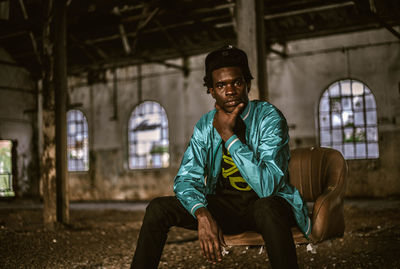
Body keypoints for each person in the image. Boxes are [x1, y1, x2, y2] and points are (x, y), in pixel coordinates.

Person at [131, 45, 311, 269]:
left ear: (248, 84)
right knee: (158, 208)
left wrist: (228, 136)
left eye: (237, 82)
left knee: (267, 207)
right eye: (221, 85)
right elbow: (186, 179)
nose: (230, 90)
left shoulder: (269, 118)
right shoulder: (205, 126)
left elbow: (268, 187)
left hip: (269, 207)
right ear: (211, 91)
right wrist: (201, 212)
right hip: (226, 209)